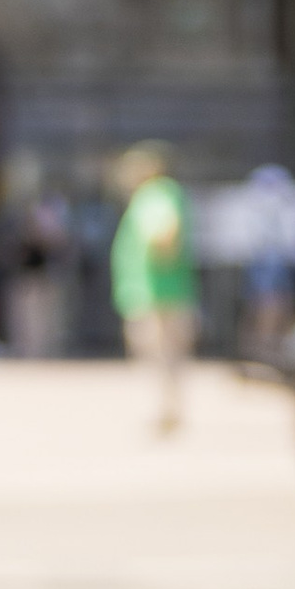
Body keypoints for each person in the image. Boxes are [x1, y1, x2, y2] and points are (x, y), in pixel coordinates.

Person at [110, 141, 199, 433]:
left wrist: (160, 256)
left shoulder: (156, 194)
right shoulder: (159, 193)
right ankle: (167, 409)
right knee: (163, 354)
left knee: (161, 354)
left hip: (157, 291)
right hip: (156, 290)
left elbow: (164, 233)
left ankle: (166, 411)